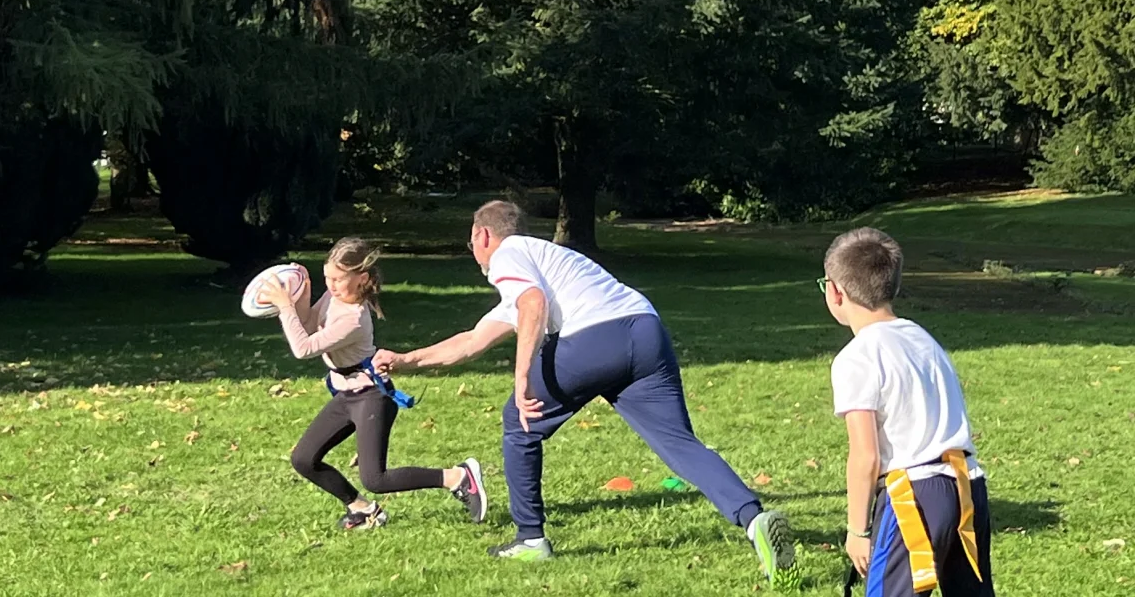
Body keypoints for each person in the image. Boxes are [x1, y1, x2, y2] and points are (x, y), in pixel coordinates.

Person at [374, 200, 795, 580]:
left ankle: (530, 539)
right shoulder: (543, 260)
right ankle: (754, 519)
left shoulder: (510, 254)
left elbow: (533, 304)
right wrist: (407, 360)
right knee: (680, 444)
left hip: (597, 337)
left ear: (483, 235)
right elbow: (471, 340)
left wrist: (521, 379)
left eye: (472, 242)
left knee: (519, 422)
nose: (474, 253)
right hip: (646, 331)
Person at [258, 236, 489, 530]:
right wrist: (297, 290)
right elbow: (308, 323)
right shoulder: (334, 297)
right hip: (346, 394)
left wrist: (284, 308)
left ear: (361, 278)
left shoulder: (353, 318)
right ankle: (363, 510)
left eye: (338, 279)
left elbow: (303, 348)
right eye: (326, 277)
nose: (330, 284)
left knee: (375, 479)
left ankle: (457, 477)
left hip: (371, 397)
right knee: (304, 459)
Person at [821, 228, 993, 596]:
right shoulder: (922, 338)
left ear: (835, 292)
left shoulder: (857, 357)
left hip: (913, 497)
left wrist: (857, 531)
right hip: (967, 484)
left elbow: (865, 455)